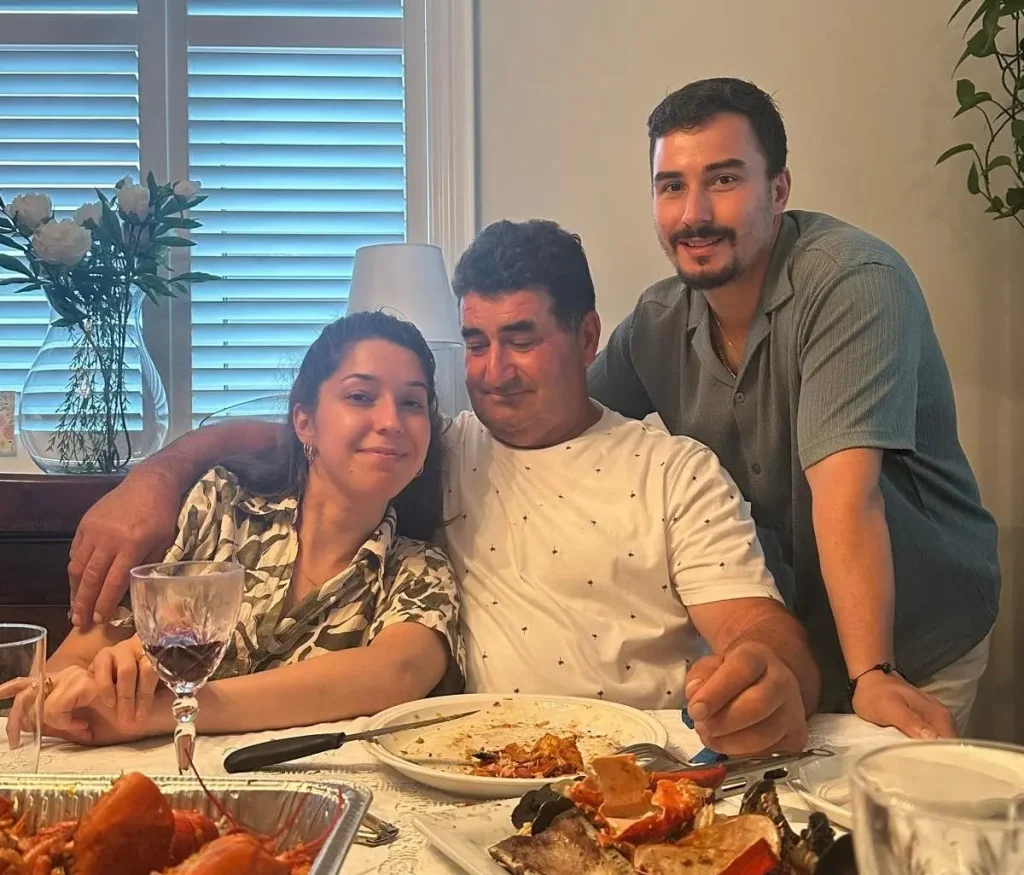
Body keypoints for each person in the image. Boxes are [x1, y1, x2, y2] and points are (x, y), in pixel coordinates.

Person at [66, 221, 820, 756]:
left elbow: (757, 628)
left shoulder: (671, 469)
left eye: (522, 339)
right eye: (476, 342)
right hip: (478, 764)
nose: (492, 371)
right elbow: (320, 437)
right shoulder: (443, 444)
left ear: (587, 337)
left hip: (642, 757)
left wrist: (768, 677)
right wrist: (158, 472)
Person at [587, 77, 1000, 738]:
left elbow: (846, 493)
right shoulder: (655, 324)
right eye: (671, 186)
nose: (693, 213)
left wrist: (872, 673)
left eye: (723, 180)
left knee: (889, 833)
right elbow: (575, 429)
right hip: (791, 648)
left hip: (912, 644)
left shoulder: (851, 282)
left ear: (778, 189)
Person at [3, 311, 464, 747]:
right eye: (360, 396)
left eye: (412, 403)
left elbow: (394, 674)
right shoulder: (220, 508)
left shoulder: (419, 568)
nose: (390, 422)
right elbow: (67, 667)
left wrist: (167, 711)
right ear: (305, 422)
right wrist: (82, 686)